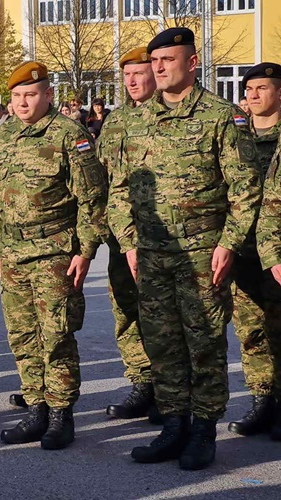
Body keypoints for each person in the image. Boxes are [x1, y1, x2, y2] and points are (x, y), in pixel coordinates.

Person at [108, 27, 262, 470]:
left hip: (201, 255)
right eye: (154, 61)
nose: (158, 68)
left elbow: (246, 187)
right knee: (162, 343)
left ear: (192, 63)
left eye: (167, 60)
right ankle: (173, 423)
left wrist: (229, 243)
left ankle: (203, 430)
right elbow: (118, 189)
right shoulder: (135, 120)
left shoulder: (221, 116)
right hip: (150, 255)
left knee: (204, 343)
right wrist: (129, 242)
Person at [0, 61, 107, 450]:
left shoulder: (70, 135)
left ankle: (60, 415)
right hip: (14, 253)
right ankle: (35, 409)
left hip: (55, 251)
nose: (23, 102)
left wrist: (85, 251)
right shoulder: (3, 136)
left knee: (56, 334)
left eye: (31, 95)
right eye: (17, 96)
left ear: (48, 95)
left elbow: (92, 200)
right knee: (22, 336)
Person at [96, 47, 158, 421]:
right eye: (127, 75)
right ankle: (141, 381)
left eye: (139, 73)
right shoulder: (116, 121)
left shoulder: (168, 117)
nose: (132, 81)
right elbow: (103, 178)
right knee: (125, 310)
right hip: (121, 236)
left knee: (164, 317)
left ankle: (170, 392)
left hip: (162, 238)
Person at [226, 62, 281, 437]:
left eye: (262, 87)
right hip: (244, 249)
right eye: (249, 88)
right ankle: (262, 400)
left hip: (278, 253)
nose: (253, 94)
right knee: (251, 331)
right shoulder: (236, 135)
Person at [256, 100, 281, 443]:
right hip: (259, 255)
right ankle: (265, 401)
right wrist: (274, 255)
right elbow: (272, 207)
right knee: (258, 333)